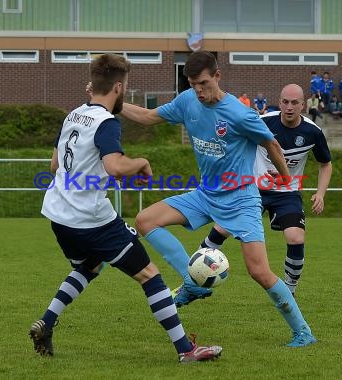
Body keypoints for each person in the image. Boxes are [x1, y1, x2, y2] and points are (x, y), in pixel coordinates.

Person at [30, 53, 222, 363]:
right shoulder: (106, 123)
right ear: (119, 86)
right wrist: (141, 163)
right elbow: (116, 166)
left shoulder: (73, 115)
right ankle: (186, 350)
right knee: (150, 276)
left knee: (87, 267)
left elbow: (54, 165)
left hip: (58, 215)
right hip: (92, 220)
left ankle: (47, 323)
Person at [119, 51, 316, 347]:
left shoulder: (239, 113)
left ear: (217, 76)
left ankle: (303, 332)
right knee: (146, 220)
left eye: (203, 83)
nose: (198, 90)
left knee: (259, 272)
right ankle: (192, 282)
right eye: (192, 84)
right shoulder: (188, 101)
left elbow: (271, 143)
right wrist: (111, 103)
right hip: (205, 195)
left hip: (241, 202)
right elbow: (148, 117)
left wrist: (286, 178)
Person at [197, 84, 332, 297]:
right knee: (222, 228)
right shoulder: (262, 122)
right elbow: (233, 140)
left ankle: (289, 290)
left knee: (296, 237)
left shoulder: (312, 132)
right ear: (279, 103)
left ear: (303, 105)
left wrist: (321, 193)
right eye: (285, 102)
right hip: (253, 190)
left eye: (294, 102)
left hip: (287, 192)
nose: (289, 107)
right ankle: (194, 278)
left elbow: (326, 164)